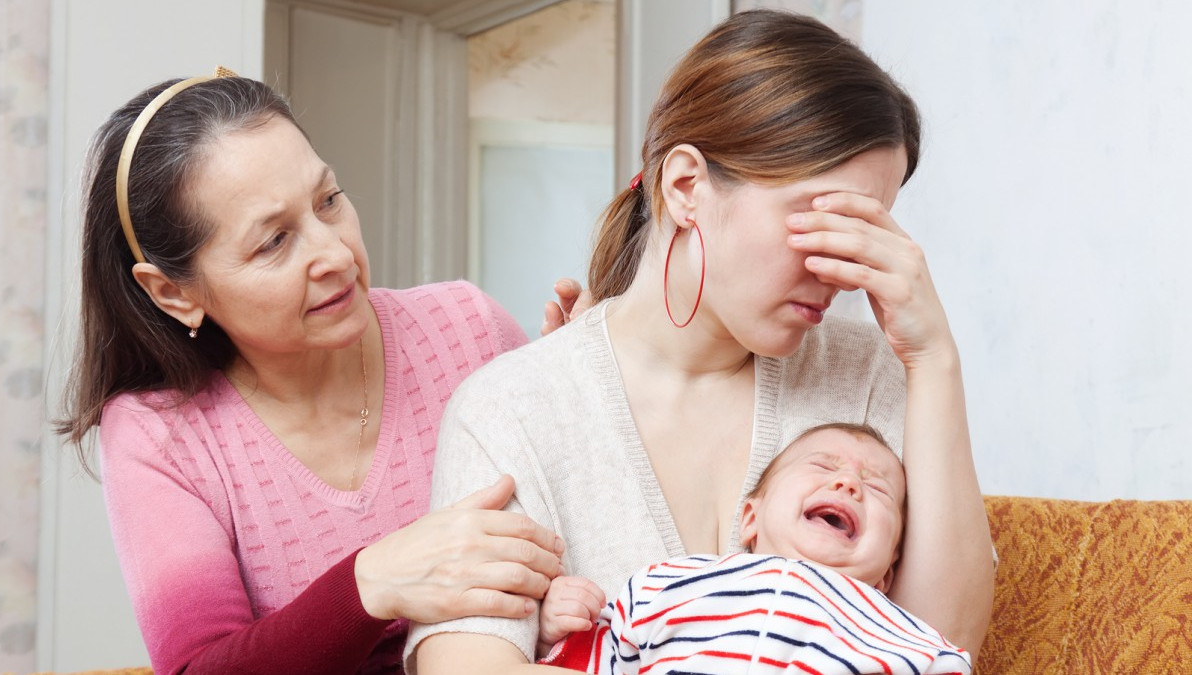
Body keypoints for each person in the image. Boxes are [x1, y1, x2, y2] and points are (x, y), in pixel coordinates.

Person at [408, 9, 994, 674]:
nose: (842, 270)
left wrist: (934, 359)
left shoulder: (867, 375)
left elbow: (941, 647)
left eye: (864, 231)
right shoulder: (511, 409)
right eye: (822, 222)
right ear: (687, 187)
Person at [55, 69, 568, 675]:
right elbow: (199, 668)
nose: (335, 253)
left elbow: (587, 563)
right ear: (173, 293)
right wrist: (370, 585)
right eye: (273, 242)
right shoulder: (161, 435)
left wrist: (580, 401)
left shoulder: (468, 328)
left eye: (329, 200)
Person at [534, 423, 972, 674]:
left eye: (876, 488)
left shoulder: (900, 632)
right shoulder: (669, 582)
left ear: (887, 575)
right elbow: (607, 658)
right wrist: (560, 631)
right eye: (822, 465)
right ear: (751, 519)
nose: (848, 483)